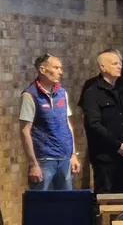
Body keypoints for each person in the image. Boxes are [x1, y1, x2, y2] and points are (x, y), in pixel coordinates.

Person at [19, 54, 81, 190]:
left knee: (66, 199)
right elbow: (25, 131)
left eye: (61, 68)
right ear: (42, 69)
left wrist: (73, 155)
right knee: (41, 199)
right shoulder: (30, 95)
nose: (60, 72)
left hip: (64, 157)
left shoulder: (62, 93)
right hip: (44, 159)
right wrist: (33, 164)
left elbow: (67, 125)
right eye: (56, 68)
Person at [82, 51, 123, 193]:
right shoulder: (92, 92)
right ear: (103, 67)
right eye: (115, 64)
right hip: (105, 156)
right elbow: (94, 124)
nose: (119, 66)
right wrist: (118, 145)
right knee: (106, 195)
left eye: (120, 63)